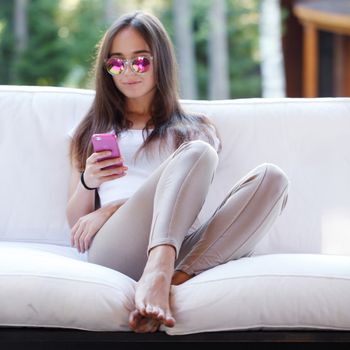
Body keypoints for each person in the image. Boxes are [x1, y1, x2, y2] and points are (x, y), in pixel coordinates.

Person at [67, 11, 289, 333]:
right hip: (116, 247)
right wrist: (90, 184)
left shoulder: (194, 130)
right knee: (198, 154)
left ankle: (169, 277)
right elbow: (76, 225)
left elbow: (188, 208)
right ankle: (159, 272)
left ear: (162, 62)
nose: (128, 71)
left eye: (141, 61)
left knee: (273, 179)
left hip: (178, 242)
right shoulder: (90, 131)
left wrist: (112, 209)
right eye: (117, 63)